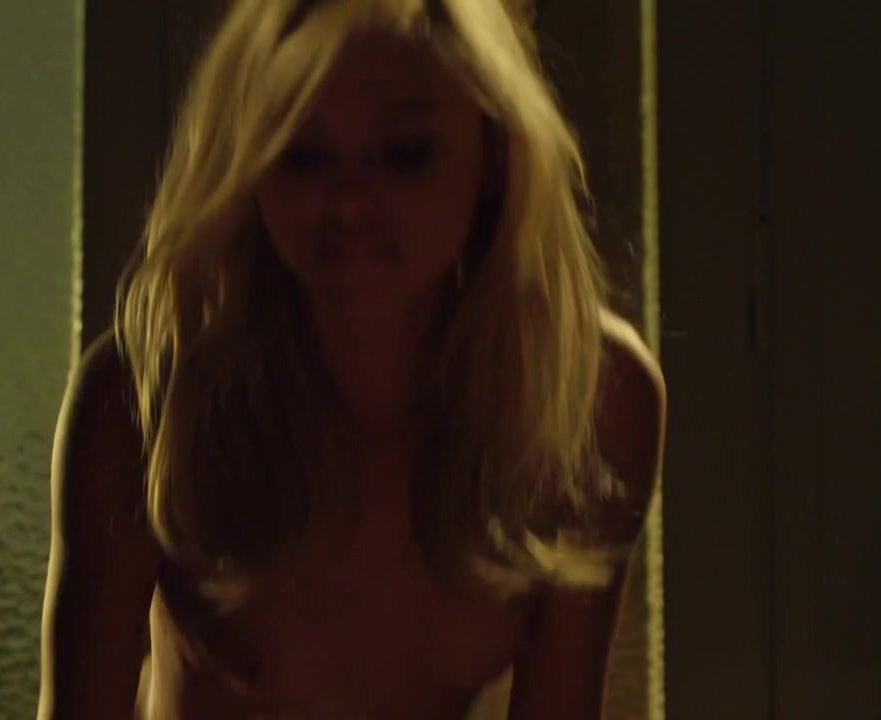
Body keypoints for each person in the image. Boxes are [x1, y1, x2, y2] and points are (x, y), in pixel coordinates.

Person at [38, 0, 666, 717]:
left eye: (404, 155)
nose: (348, 205)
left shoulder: (587, 398)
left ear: (494, 151)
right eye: (300, 154)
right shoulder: (150, 400)